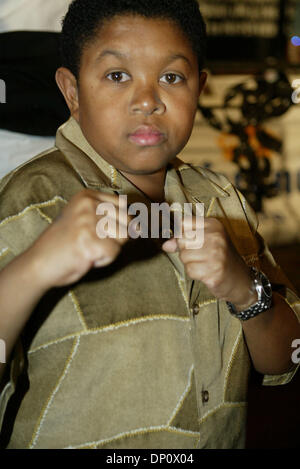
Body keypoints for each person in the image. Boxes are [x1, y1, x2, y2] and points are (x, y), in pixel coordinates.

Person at [0, 0, 299, 449]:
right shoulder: (26, 205)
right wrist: (35, 269)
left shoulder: (222, 202)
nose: (147, 101)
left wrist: (243, 288)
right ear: (72, 91)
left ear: (199, 87)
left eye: (171, 77)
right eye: (117, 75)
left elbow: (287, 360)